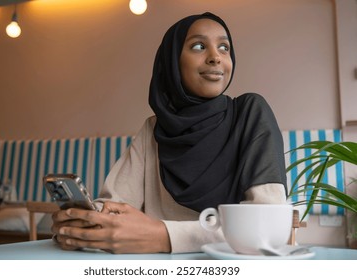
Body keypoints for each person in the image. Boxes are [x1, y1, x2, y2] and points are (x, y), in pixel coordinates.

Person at [52, 12, 287, 254]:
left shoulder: (250, 113)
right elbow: (115, 204)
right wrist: (82, 221)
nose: (215, 57)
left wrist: (163, 236)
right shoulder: (154, 129)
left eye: (224, 47)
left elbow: (267, 225)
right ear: (173, 61)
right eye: (198, 46)